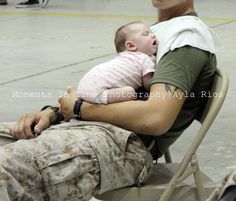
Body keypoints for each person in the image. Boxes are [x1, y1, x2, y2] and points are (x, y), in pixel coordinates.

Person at [0, 0, 221, 200]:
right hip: (87, 129)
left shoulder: (185, 39)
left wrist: (78, 108)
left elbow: (156, 117)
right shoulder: (152, 32)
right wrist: (52, 113)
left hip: (121, 145)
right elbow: (107, 88)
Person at [77, 21, 157, 104]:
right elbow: (148, 85)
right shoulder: (144, 59)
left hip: (83, 86)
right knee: (130, 92)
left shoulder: (123, 57)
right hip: (99, 93)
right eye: (146, 34)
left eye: (152, 33)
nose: (153, 35)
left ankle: (78, 100)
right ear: (131, 46)